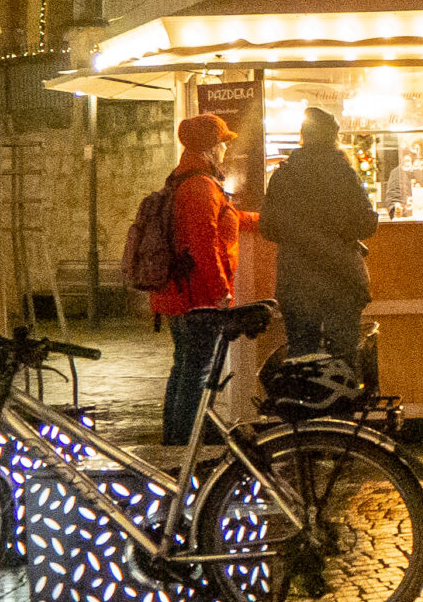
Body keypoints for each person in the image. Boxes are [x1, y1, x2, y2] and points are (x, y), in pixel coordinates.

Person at [150, 112, 248, 453]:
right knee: (197, 372)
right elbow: (203, 243)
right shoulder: (200, 186)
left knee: (186, 368)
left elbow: (225, 218)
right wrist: (221, 291)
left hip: (183, 295)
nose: (224, 149)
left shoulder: (189, 179)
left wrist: (262, 221)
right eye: (222, 142)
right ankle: (184, 445)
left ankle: (177, 440)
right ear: (211, 147)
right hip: (197, 297)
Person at [254, 107, 377, 364]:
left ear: (303, 136)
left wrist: (298, 235)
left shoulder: (284, 175)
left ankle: (303, 402)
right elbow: (366, 224)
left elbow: (267, 227)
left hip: (297, 281)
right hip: (341, 279)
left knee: (302, 356)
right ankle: (340, 403)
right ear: (334, 137)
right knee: (344, 357)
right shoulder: (344, 174)